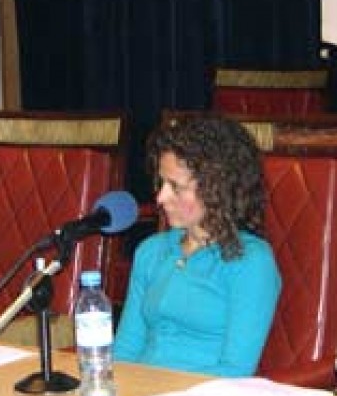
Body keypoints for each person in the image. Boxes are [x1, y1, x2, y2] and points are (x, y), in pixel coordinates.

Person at [113, 115, 281, 377]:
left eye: (176, 187)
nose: (160, 198)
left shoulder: (250, 262)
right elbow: (124, 352)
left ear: (217, 187)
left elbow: (234, 372)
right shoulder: (151, 251)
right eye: (161, 183)